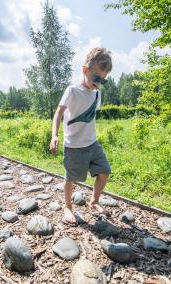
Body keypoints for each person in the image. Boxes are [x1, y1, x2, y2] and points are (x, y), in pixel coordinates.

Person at [49, 47, 113, 225]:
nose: (99, 83)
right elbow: (58, 113)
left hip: (92, 144)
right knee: (71, 178)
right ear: (85, 70)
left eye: (103, 80)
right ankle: (68, 206)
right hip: (74, 146)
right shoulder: (72, 90)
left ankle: (94, 201)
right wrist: (54, 135)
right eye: (96, 78)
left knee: (105, 172)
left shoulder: (97, 94)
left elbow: (90, 117)